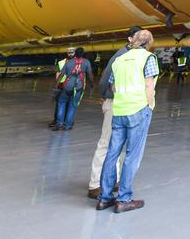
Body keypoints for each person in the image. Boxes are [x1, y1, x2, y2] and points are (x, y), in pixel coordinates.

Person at [97, 30, 157, 214]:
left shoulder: (120, 59)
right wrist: (149, 106)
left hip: (120, 110)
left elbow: (113, 85)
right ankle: (123, 199)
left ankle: (104, 198)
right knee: (132, 155)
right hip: (138, 110)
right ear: (149, 43)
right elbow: (149, 85)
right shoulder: (148, 58)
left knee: (112, 154)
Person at [88, 27, 140, 199]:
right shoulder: (121, 55)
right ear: (130, 39)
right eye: (138, 38)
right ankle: (95, 184)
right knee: (106, 143)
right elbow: (105, 79)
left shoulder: (134, 55)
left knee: (120, 144)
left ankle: (113, 180)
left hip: (126, 105)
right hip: (115, 103)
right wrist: (105, 96)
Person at [54, 48, 92, 131]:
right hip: (78, 88)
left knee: (61, 103)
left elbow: (61, 75)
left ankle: (59, 123)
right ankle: (67, 125)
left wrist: (56, 85)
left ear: (75, 53)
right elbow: (90, 75)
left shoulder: (69, 62)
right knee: (72, 106)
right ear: (83, 54)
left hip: (67, 86)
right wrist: (92, 84)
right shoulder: (86, 62)